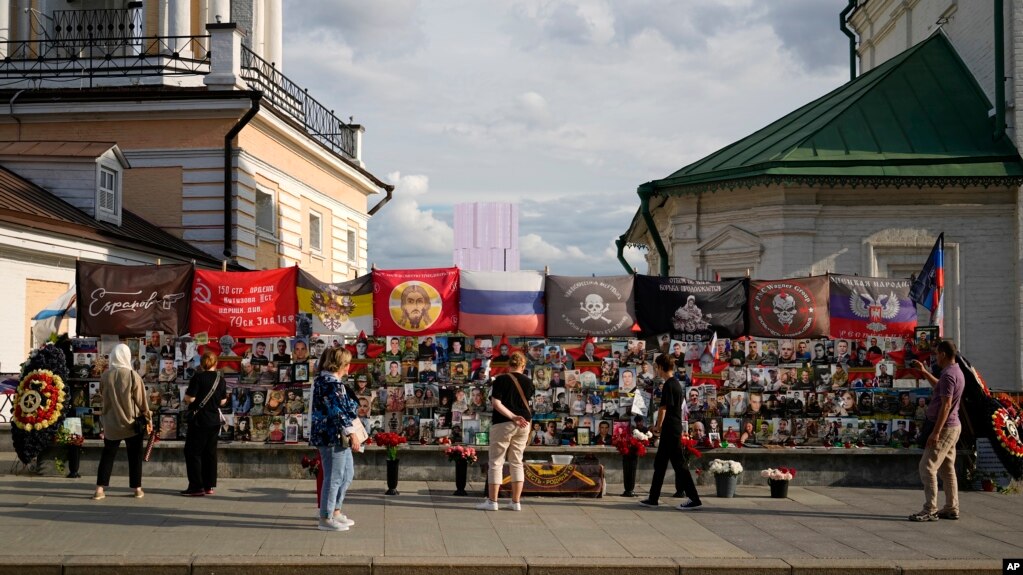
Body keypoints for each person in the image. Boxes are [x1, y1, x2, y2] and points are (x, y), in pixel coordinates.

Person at [908, 340, 964, 521]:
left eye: (937, 354)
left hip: (945, 428)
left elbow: (946, 405)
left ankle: (930, 509)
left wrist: (936, 432)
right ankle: (951, 507)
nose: (935, 357)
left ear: (944, 354)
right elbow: (939, 386)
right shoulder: (954, 371)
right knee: (947, 468)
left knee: (927, 467)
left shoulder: (949, 375)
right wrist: (924, 372)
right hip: (953, 426)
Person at [639, 354, 702, 510]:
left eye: (656, 368)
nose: (656, 371)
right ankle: (653, 498)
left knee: (679, 465)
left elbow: (663, 408)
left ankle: (694, 499)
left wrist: (657, 427)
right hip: (671, 429)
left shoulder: (669, 384)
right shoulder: (675, 384)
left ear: (661, 367)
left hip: (670, 430)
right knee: (660, 464)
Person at [311, 347, 362, 532]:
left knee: (346, 474)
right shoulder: (329, 383)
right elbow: (337, 412)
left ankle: (335, 510)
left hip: (335, 436)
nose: (349, 367)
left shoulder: (330, 382)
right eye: (347, 363)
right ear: (340, 364)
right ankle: (326, 517)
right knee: (334, 477)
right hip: (331, 436)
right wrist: (353, 434)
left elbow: (343, 407)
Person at [92, 344, 151, 500]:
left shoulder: (105, 376)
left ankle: (99, 489)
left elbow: (103, 398)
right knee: (135, 456)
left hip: (111, 422)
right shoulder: (133, 376)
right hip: (131, 423)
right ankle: (137, 489)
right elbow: (141, 402)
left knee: (108, 455)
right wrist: (148, 418)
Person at [477, 351, 534, 512]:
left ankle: (492, 501)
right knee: (517, 461)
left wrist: (512, 416)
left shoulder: (501, 379)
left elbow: (496, 403)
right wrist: (518, 417)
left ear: (509, 365)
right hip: (524, 424)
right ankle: (515, 502)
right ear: (523, 366)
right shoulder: (529, 382)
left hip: (504, 422)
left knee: (496, 461)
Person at [180, 351, 228, 496]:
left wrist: (186, 398)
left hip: (199, 420)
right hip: (214, 421)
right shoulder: (221, 379)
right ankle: (209, 486)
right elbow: (223, 401)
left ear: (201, 363)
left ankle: (196, 486)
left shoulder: (198, 377)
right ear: (215, 363)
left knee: (193, 453)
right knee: (210, 453)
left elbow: (191, 398)